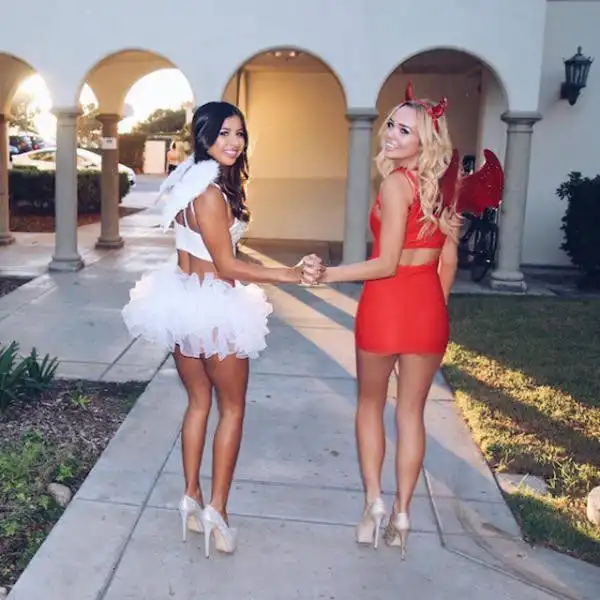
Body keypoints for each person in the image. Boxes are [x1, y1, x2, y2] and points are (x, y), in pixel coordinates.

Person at [122, 101, 320, 558]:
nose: (234, 142)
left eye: (240, 133)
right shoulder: (211, 194)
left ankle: (190, 498)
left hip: (183, 302)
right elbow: (228, 266)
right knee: (231, 409)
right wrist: (290, 274)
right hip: (215, 311)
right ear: (204, 136)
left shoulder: (187, 180)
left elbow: (202, 252)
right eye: (224, 133)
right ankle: (217, 510)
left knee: (198, 403)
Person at [312, 84, 460, 559]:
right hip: (428, 309)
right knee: (412, 413)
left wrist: (328, 274)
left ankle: (374, 503)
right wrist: (434, 308)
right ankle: (402, 514)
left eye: (404, 131)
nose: (391, 134)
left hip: (386, 306)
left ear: (424, 141)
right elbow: (448, 263)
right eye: (391, 124)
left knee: (371, 405)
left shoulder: (397, 184)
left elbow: (386, 263)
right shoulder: (443, 188)